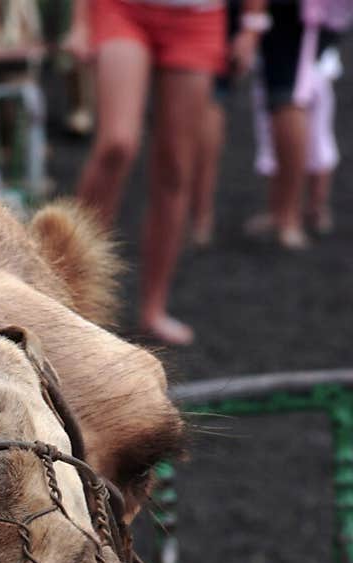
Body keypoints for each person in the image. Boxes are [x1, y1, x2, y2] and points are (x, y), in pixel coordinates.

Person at [64, 0, 269, 344]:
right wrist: (80, 22)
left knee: (175, 166)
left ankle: (153, 309)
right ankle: (70, 285)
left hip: (197, 20)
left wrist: (251, 25)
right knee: (117, 144)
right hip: (123, 9)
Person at [245, 1, 349, 245]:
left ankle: (298, 212)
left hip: (302, 20)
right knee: (283, 105)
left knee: (292, 104)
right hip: (296, 22)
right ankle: (288, 210)